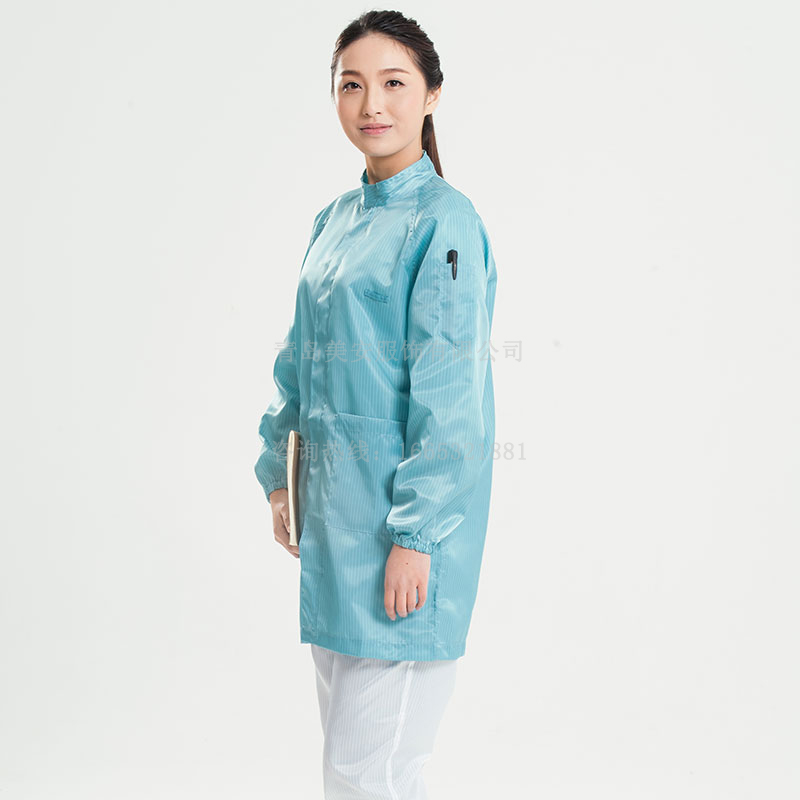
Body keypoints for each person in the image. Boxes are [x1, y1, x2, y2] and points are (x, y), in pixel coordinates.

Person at [254, 10, 498, 799]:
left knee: (370, 774)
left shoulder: (445, 224)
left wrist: (417, 535)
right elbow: (300, 362)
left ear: (432, 95)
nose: (372, 104)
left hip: (400, 543)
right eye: (351, 85)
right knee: (355, 768)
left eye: (394, 83)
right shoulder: (334, 222)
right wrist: (280, 473)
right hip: (334, 534)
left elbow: (449, 396)